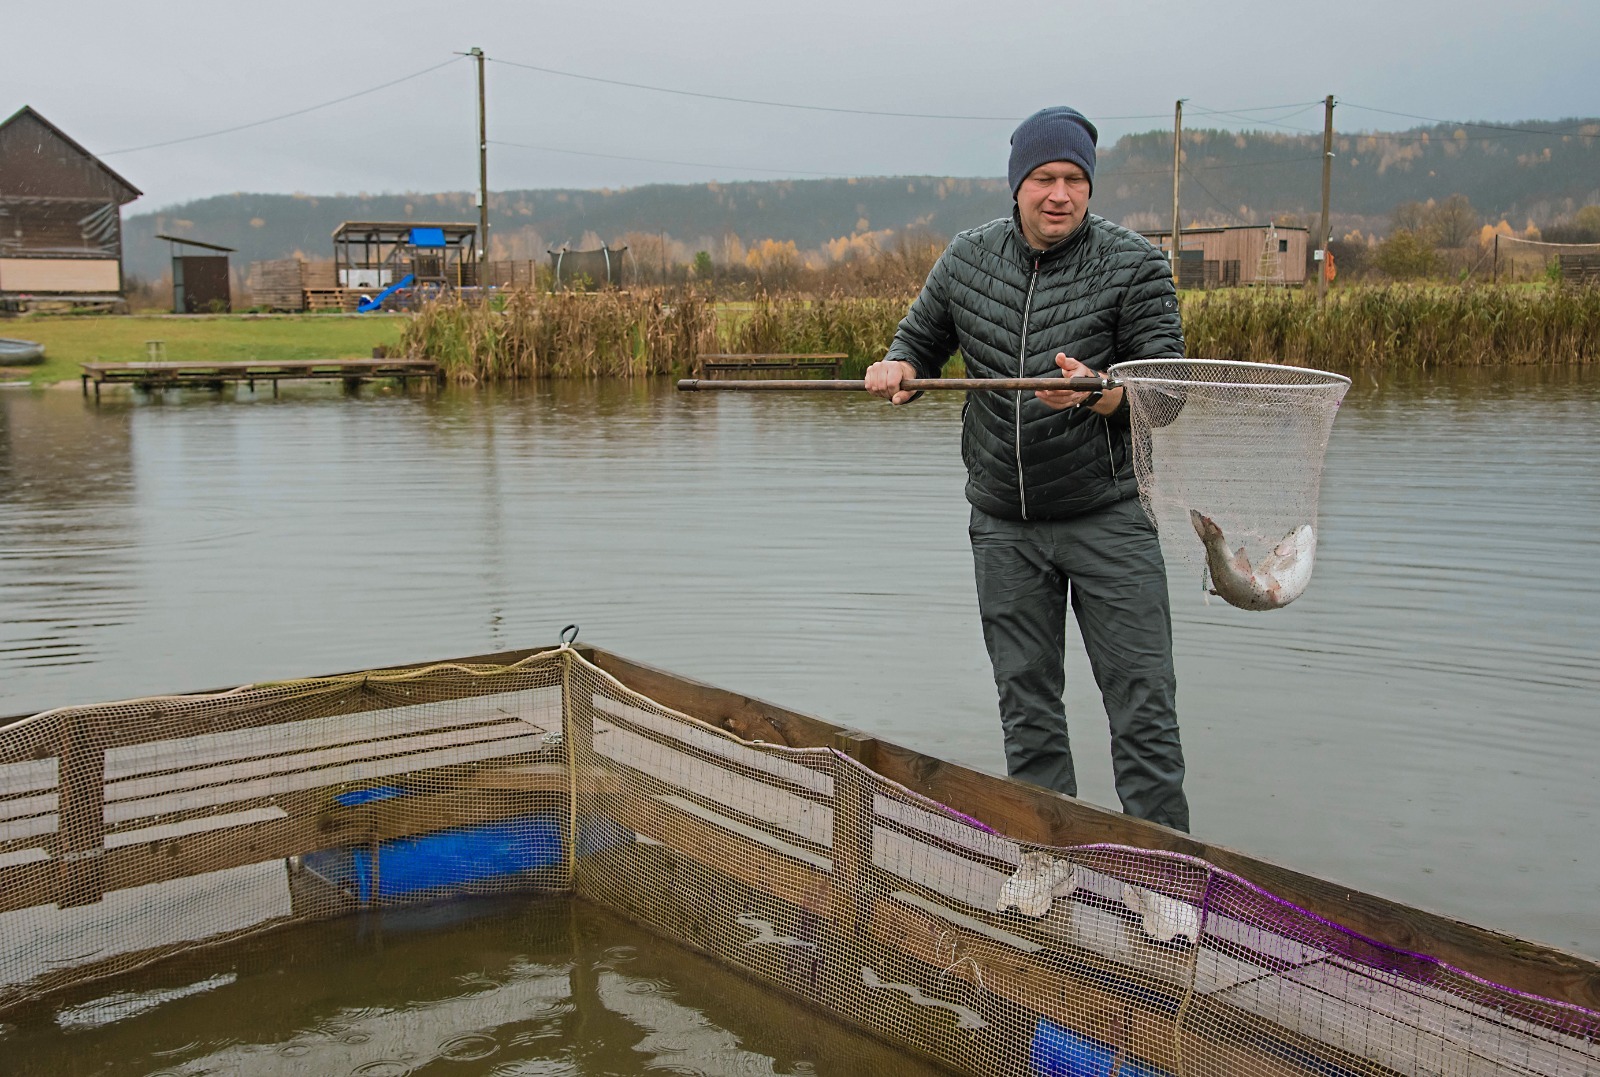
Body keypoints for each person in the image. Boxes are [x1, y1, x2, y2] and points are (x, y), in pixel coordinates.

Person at [864, 106, 1189, 832]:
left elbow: (1165, 396)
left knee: (1144, 706)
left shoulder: (1135, 264)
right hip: (1005, 528)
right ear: (1016, 184)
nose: (1059, 194)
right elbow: (918, 340)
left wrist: (1099, 391)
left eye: (1075, 179)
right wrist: (900, 368)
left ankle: (1163, 879)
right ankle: (1046, 860)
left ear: (1089, 187)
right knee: (1027, 705)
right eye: (1044, 177)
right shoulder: (967, 259)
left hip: (1110, 519)